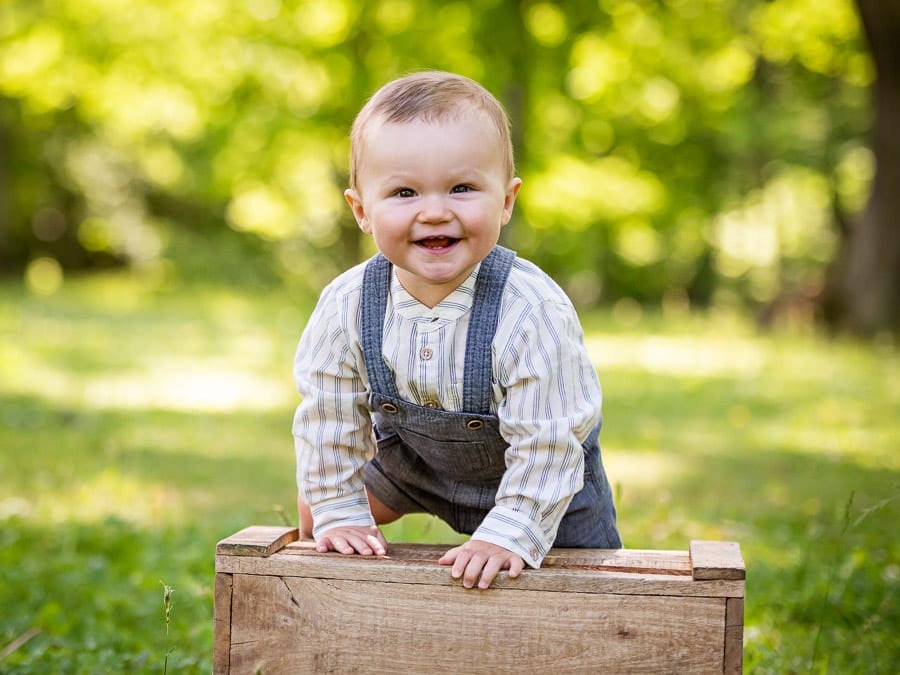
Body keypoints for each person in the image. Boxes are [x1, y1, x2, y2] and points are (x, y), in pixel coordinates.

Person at [293, 71, 621, 590]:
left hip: (542, 476)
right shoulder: (348, 304)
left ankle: (562, 576)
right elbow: (328, 418)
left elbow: (549, 443)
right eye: (404, 192)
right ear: (361, 210)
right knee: (318, 519)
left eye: (462, 188)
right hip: (415, 468)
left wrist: (509, 532)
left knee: (582, 588)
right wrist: (338, 508)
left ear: (507, 200)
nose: (435, 211)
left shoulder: (530, 309)